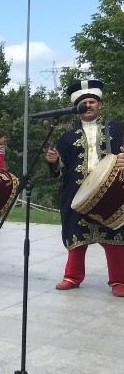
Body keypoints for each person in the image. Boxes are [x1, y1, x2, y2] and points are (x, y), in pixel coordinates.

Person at [44, 79, 124, 296]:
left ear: (100, 104)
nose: (88, 106)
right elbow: (60, 169)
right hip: (77, 193)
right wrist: (53, 162)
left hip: (113, 192)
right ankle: (72, 276)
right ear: (76, 108)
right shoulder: (67, 137)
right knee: (76, 235)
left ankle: (119, 280)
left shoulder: (117, 128)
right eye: (83, 103)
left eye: (91, 102)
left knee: (115, 236)